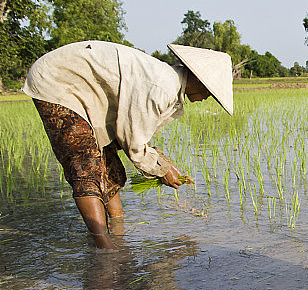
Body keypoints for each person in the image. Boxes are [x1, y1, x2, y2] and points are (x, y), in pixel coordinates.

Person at [22, 41, 234, 249]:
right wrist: (162, 170)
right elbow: (134, 144)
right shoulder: (162, 87)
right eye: (210, 92)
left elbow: (135, 133)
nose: (207, 98)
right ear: (198, 79)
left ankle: (118, 229)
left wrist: (164, 164)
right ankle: (105, 248)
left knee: (108, 162)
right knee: (85, 164)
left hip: (85, 91)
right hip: (58, 81)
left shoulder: (168, 84)